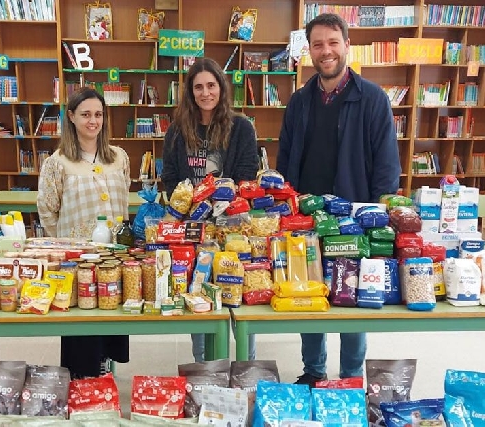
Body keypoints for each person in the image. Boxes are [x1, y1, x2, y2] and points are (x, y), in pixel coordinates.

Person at [277, 13, 401, 387]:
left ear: (347, 45)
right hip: (308, 220)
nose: (326, 51)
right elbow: (285, 162)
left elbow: (386, 166)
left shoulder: (373, 99)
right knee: (308, 294)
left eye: (333, 42)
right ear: (309, 51)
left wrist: (378, 216)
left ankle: (349, 378)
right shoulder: (299, 102)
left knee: (354, 300)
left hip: (356, 220)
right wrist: (288, 208)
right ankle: (314, 372)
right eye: (318, 45)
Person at [162, 57, 259, 362]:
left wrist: (220, 202)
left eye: (211, 85)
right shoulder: (178, 130)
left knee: (238, 303)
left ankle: (245, 367)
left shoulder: (241, 127)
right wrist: (187, 206)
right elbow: (170, 178)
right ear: (190, 93)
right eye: (198, 87)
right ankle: (205, 370)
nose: (205, 93)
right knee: (199, 297)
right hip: (193, 231)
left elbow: (246, 176)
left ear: (221, 88)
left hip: (233, 228)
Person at [37, 87, 131, 378]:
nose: (93, 121)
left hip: (114, 258)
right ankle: (81, 386)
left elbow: (124, 195)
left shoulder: (119, 157)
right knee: (82, 325)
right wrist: (68, 242)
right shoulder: (58, 162)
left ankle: (106, 377)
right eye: (86, 114)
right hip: (78, 260)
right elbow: (47, 210)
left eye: (99, 114)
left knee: (111, 318)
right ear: (71, 118)